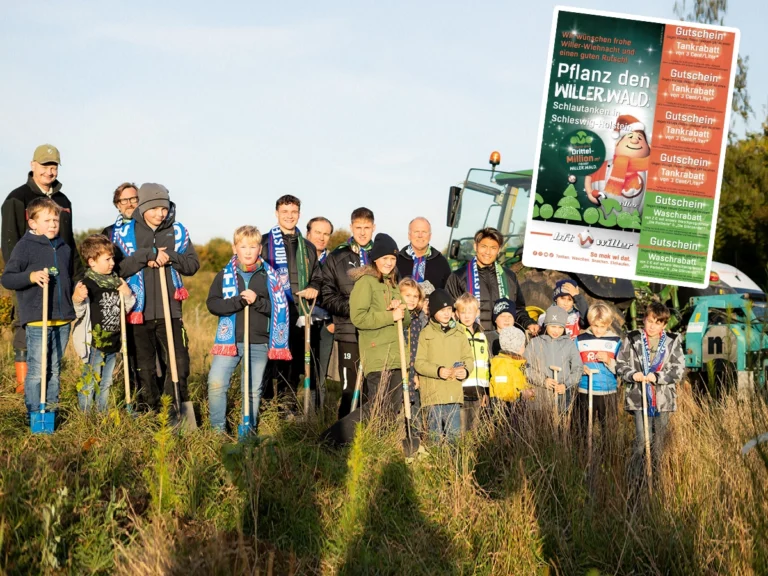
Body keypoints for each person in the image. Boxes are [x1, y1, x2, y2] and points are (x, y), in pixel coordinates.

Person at [113, 183, 200, 423]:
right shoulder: (124, 233)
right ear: (143, 207)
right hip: (137, 312)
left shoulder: (177, 231)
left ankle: (174, 412)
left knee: (179, 364)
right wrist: (145, 256)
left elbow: (193, 265)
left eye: (165, 208)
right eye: (155, 208)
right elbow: (117, 268)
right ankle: (150, 414)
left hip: (170, 311)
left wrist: (169, 256)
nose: (161, 213)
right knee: (145, 369)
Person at [1, 144, 82, 394]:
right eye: (45, 165)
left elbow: (69, 242)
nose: (50, 170)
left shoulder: (62, 201)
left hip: (60, 277)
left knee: (56, 329)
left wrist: (76, 277)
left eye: (54, 165)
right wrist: (24, 275)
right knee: (26, 325)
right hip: (30, 277)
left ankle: (48, 388)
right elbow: (10, 242)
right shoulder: (17, 197)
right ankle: (24, 387)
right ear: (32, 165)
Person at [206, 226, 290, 433]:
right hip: (230, 342)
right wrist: (237, 302)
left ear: (259, 248)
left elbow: (280, 309)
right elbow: (213, 304)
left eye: (253, 246)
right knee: (216, 383)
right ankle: (217, 431)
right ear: (235, 248)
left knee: (252, 390)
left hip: (258, 342)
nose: (248, 251)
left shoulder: (270, 277)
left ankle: (248, 430)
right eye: (243, 246)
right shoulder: (224, 275)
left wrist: (258, 301)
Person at [1, 198, 75, 419]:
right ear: (33, 223)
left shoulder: (63, 247)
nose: (53, 224)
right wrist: (31, 276)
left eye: (56, 219)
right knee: (37, 370)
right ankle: (35, 412)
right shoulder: (25, 247)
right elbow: (8, 279)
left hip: (61, 318)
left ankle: (50, 411)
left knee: (54, 368)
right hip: (37, 317)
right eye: (47, 220)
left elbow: (68, 278)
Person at [261, 195, 322, 409]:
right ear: (276, 213)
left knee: (293, 361)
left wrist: (314, 286)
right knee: (269, 360)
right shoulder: (263, 242)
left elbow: (317, 275)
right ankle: (265, 404)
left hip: (298, 311)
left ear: (299, 214)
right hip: (271, 311)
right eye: (285, 212)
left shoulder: (308, 247)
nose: (289, 216)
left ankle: (287, 404)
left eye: (293, 212)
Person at [71, 235, 136, 412]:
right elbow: (78, 313)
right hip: (94, 343)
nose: (112, 262)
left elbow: (126, 308)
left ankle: (102, 414)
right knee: (90, 381)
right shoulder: (87, 284)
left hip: (114, 341)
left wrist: (127, 293)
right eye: (107, 259)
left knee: (106, 382)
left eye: (112, 258)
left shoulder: (117, 282)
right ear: (92, 262)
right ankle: (85, 416)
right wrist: (77, 299)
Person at [321, 207, 375, 418]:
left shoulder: (382, 256)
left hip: (375, 333)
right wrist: (354, 310)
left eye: (367, 228)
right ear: (351, 227)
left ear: (373, 228)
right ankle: (343, 435)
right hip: (348, 331)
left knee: (372, 387)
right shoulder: (336, 257)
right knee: (349, 388)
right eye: (358, 227)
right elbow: (327, 295)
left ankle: (368, 433)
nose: (362, 232)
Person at [616, 302, 684, 468]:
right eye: (650, 321)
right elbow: (620, 364)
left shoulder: (672, 341)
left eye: (658, 323)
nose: (653, 326)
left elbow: (679, 370)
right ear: (644, 319)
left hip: (663, 400)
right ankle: (635, 479)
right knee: (642, 441)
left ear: (664, 324)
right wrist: (632, 374)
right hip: (639, 398)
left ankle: (655, 480)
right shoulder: (632, 339)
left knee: (659, 444)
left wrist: (658, 376)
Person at [349, 233, 410, 415]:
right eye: (385, 258)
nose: (389, 262)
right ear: (375, 259)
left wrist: (400, 309)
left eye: (392, 258)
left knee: (393, 408)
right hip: (377, 356)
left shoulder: (392, 284)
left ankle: (388, 441)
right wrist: (389, 316)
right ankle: (374, 441)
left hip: (396, 355)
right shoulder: (365, 282)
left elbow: (405, 321)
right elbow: (359, 318)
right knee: (379, 407)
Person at [446, 227, 537, 335]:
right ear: (476, 246)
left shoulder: (509, 276)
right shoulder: (458, 277)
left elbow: (518, 310)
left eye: (493, 248)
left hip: (501, 342)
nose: (488, 252)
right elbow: (449, 311)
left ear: (499, 250)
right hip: (470, 341)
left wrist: (528, 323)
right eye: (483, 246)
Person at [415, 289, 473, 442]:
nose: (447, 313)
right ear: (433, 311)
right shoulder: (425, 334)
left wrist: (465, 371)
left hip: (453, 394)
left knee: (454, 437)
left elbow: (468, 358)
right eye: (442, 310)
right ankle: (435, 464)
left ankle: (453, 465)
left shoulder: (460, 333)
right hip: (433, 396)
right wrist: (438, 371)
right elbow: (419, 363)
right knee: (434, 436)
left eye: (449, 309)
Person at [525, 305, 583, 415]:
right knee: (540, 429)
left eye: (560, 327)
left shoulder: (569, 344)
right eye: (553, 326)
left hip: (562, 398)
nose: (557, 331)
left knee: (561, 428)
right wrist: (543, 381)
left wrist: (565, 385)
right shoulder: (535, 343)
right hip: (539, 399)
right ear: (546, 325)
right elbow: (526, 367)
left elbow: (578, 368)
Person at [575, 303, 622, 436]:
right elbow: (573, 361)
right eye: (595, 326)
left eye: (602, 326)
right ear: (590, 322)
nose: (598, 330)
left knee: (608, 430)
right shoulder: (580, 339)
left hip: (607, 391)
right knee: (582, 428)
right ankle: (582, 455)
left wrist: (608, 360)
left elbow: (622, 368)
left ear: (609, 323)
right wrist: (580, 368)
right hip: (585, 389)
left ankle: (607, 456)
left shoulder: (616, 341)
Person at [306, 216, 334, 409]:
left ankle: (317, 416)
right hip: (300, 320)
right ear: (308, 233)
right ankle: (288, 413)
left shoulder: (333, 261)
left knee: (320, 371)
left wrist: (334, 320)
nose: (321, 237)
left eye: (326, 234)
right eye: (318, 232)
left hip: (325, 322)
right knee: (293, 370)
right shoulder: (298, 259)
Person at [454, 292, 490, 431]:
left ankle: (472, 453)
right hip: (461, 389)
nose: (467, 316)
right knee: (461, 429)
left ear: (477, 312)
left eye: (471, 312)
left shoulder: (482, 334)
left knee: (474, 429)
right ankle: (461, 452)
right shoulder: (456, 333)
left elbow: (485, 364)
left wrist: (485, 390)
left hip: (478, 390)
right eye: (463, 312)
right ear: (457, 314)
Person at [399, 277, 428, 435]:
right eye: (407, 295)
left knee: (415, 406)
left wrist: (416, 373)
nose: (411, 299)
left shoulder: (419, 320)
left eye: (415, 296)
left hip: (414, 371)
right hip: (398, 369)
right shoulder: (397, 318)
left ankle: (415, 437)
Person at [396, 217, 452, 290]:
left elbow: (448, 293)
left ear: (430, 236)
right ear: (409, 235)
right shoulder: (397, 261)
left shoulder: (441, 262)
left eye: (424, 232)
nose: (420, 235)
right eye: (416, 232)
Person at [490, 326, 535, 408]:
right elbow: (502, 391)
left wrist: (529, 391)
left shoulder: (518, 364)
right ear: (517, 347)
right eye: (523, 345)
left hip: (518, 406)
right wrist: (521, 394)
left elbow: (521, 383)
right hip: (505, 408)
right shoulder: (501, 364)